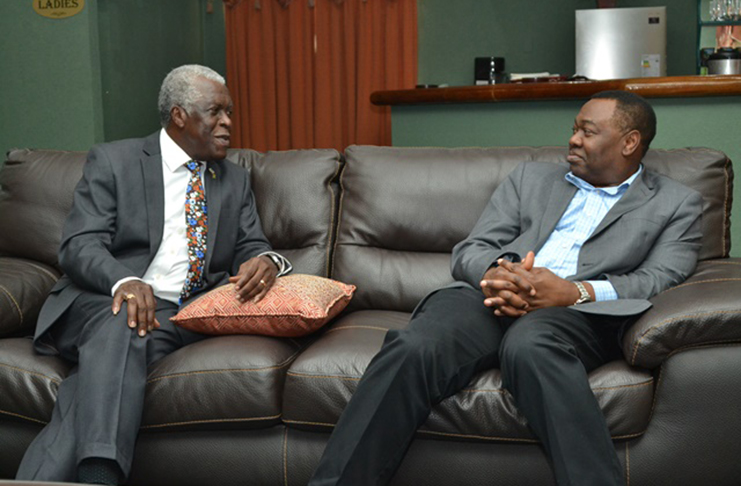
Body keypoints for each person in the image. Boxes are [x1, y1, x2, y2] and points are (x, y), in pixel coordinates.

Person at [308, 90, 703, 486]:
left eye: (587, 131)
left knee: (531, 346)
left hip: (576, 314)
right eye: (574, 129)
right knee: (414, 347)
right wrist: (501, 273)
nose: (573, 139)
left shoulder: (675, 203)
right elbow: (472, 248)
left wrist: (573, 292)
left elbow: (661, 277)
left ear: (630, 142)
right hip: (489, 296)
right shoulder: (530, 179)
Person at [16, 64, 291, 485]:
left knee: (91, 382)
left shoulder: (233, 179)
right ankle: (100, 474)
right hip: (103, 301)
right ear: (179, 115)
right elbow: (79, 244)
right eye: (216, 112)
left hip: (179, 317)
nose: (228, 123)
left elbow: (252, 245)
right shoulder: (115, 160)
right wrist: (125, 282)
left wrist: (267, 262)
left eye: (230, 112)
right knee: (125, 322)